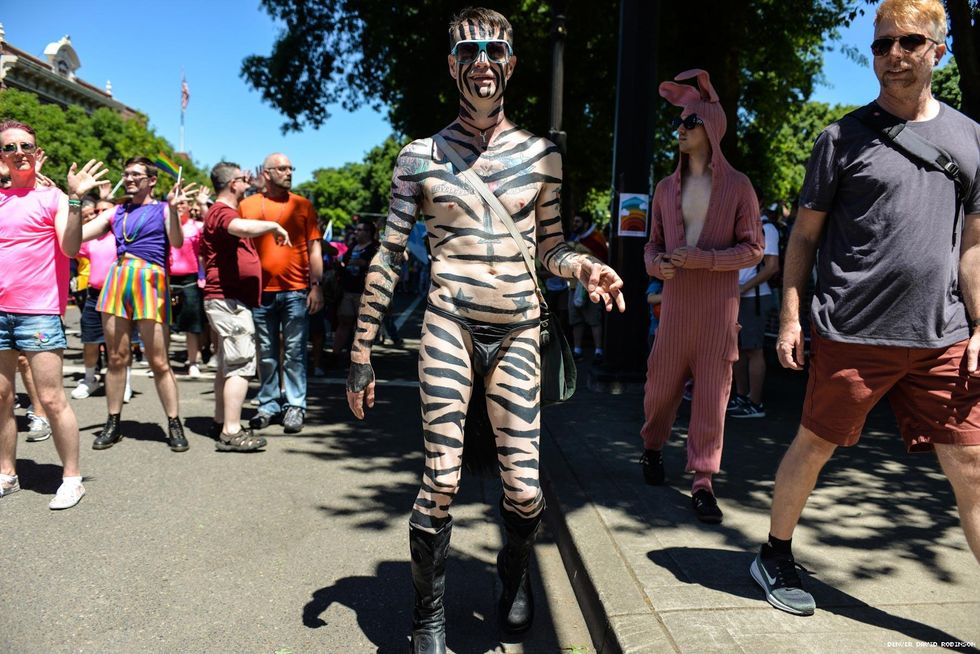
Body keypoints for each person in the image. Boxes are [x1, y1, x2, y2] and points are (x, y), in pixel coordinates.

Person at [344, 8, 625, 650]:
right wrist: (361, 349)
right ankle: (429, 617)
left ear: (510, 63)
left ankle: (514, 572)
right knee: (441, 479)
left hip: (520, 329)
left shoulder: (543, 156)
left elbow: (550, 245)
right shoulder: (418, 158)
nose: (482, 61)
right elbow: (390, 252)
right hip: (448, 319)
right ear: (452, 64)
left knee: (524, 491)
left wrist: (584, 266)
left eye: (494, 50)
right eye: (468, 50)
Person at [750, 0, 980, 617]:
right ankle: (774, 552)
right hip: (854, 332)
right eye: (882, 45)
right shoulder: (840, 139)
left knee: (973, 465)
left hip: (944, 337)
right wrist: (793, 317)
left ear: (939, 50)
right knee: (815, 446)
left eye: (908, 42)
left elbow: (973, 247)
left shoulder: (971, 138)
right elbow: (802, 237)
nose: (894, 56)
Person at [640, 69, 763, 524]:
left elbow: (755, 248)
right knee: (659, 394)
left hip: (717, 313)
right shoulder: (663, 188)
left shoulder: (738, 187)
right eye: (679, 123)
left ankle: (703, 482)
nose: (680, 129)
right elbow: (650, 246)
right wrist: (659, 265)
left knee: (713, 399)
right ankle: (652, 447)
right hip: (674, 311)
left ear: (710, 128)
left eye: (689, 123)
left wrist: (703, 260)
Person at [0, 119, 108, 509]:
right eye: (9, 147)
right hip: (0, 312)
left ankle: (72, 478)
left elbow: (70, 246)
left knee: (50, 397)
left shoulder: (56, 198)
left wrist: (76, 198)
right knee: (2, 396)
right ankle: (7, 473)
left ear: (36, 149)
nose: (18, 153)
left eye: (24, 145)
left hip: (39, 312)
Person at [81, 157, 190, 452]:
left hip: (150, 280)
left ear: (151, 180)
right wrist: (75, 199)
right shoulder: (117, 211)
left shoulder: (164, 209)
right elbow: (78, 235)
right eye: (126, 174)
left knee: (159, 361)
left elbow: (177, 242)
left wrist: (175, 210)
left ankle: (174, 422)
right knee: (116, 358)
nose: (129, 179)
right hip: (118, 279)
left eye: (136, 175)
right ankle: (113, 422)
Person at [201, 162, 290, 452]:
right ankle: (231, 431)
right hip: (227, 301)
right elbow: (240, 227)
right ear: (232, 184)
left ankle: (221, 421)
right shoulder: (223, 212)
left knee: (228, 365)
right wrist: (273, 225)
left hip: (228, 300)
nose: (247, 182)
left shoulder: (221, 208)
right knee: (241, 366)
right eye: (242, 180)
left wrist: (249, 184)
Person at [240, 153, 323, 434]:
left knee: (295, 353)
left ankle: (295, 406)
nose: (289, 172)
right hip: (260, 292)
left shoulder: (303, 205)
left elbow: (314, 248)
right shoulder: (247, 205)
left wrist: (316, 286)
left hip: (296, 291)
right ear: (267, 173)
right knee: (265, 352)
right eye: (282, 168)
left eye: (291, 168)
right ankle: (268, 405)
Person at [728, 202, 780, 418]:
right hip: (738, 297)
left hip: (754, 298)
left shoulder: (767, 228)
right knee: (736, 350)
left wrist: (743, 287)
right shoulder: (740, 228)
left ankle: (755, 403)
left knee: (754, 350)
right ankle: (741, 396)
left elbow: (772, 267)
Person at [169, 192, 207, 378]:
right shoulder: (166, 225)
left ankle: (193, 362)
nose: (180, 205)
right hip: (168, 278)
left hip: (190, 279)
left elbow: (211, 230)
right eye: (178, 202)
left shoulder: (196, 227)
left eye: (184, 202)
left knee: (192, 326)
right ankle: (163, 364)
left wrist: (203, 204)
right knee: (165, 324)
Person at [333, 220, 379, 361]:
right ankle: (335, 355)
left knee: (361, 326)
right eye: (356, 230)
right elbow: (345, 262)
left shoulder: (375, 247)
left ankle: (358, 357)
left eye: (360, 230)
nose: (356, 232)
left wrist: (366, 264)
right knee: (344, 322)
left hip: (365, 292)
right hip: (348, 290)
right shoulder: (353, 246)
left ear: (369, 233)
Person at [568, 214, 608, 363]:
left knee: (594, 319)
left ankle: (598, 351)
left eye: (577, 221)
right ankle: (577, 350)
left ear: (586, 223)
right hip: (573, 286)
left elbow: (603, 257)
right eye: (574, 221)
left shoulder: (596, 239)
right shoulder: (573, 238)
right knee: (576, 319)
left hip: (592, 287)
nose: (574, 223)